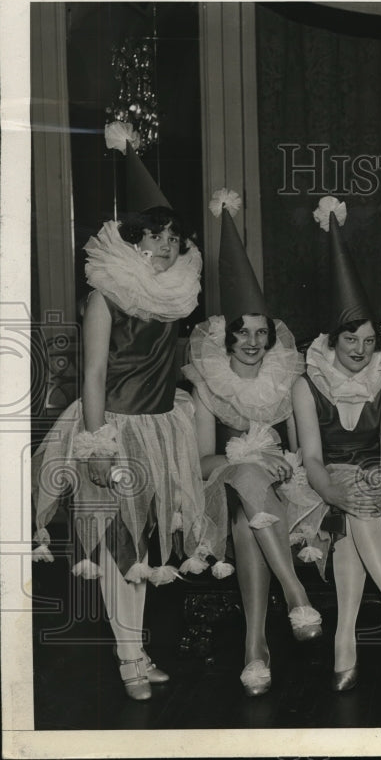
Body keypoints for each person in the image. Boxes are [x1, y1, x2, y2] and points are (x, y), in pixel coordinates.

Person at [32, 123, 224, 700]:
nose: (166, 245)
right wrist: (96, 446)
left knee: (139, 541)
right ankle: (129, 660)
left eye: (174, 236)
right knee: (118, 542)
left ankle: (136, 649)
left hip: (163, 427)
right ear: (132, 239)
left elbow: (175, 363)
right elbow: (92, 374)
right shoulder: (106, 295)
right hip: (110, 427)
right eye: (154, 235)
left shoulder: (177, 298)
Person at [185, 189, 323, 697]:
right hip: (217, 492)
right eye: (242, 333)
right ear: (226, 336)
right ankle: (294, 593)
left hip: (286, 488)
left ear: (271, 336)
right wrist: (249, 455)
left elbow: (309, 455)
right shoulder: (206, 385)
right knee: (242, 485)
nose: (251, 342)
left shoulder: (289, 380)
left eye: (260, 333)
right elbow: (202, 463)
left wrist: (273, 462)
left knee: (249, 517)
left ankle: (254, 647)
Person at [291, 197, 381, 693]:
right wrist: (333, 492)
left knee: (363, 501)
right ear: (333, 337)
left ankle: (347, 642)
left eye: (368, 340)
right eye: (351, 340)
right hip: (321, 483)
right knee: (350, 509)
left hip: (376, 477)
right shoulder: (307, 384)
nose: (360, 350)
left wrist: (379, 483)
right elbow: (313, 459)